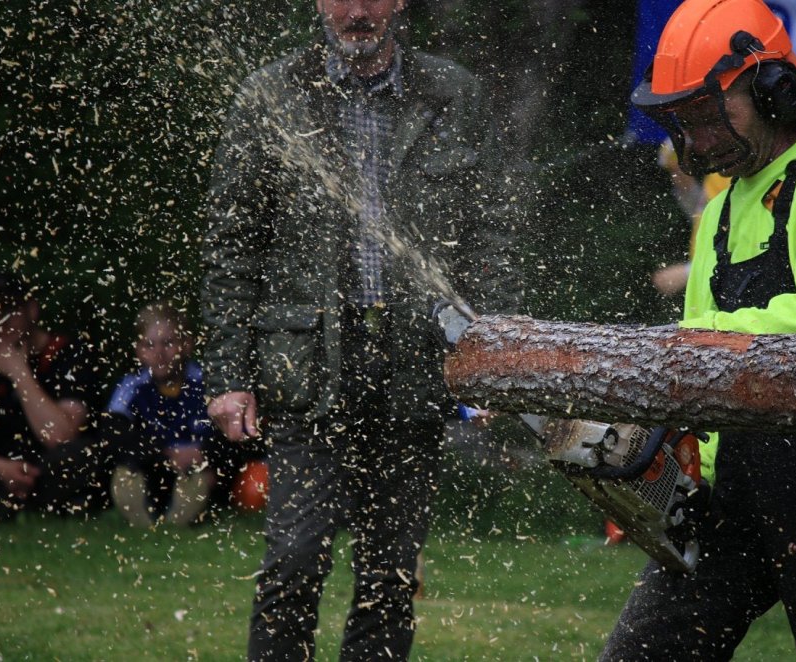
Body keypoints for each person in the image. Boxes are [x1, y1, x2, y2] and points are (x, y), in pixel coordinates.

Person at [199, 0, 521, 659]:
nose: (357, 10)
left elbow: (492, 238)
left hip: (413, 368)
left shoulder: (454, 94)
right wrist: (230, 376)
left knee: (391, 578)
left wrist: (490, 359)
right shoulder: (271, 95)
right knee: (292, 565)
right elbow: (233, 247)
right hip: (307, 370)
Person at [602, 0, 796, 659]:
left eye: (711, 112)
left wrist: (698, 345)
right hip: (740, 478)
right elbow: (696, 372)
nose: (700, 135)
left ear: (773, 90)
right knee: (646, 649)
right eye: (685, 119)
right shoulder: (720, 211)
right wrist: (674, 481)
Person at [104, 301, 247, 527]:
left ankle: (178, 522)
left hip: (199, 468)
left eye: (168, 343)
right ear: (138, 350)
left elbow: (230, 434)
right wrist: (162, 453)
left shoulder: (207, 384)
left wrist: (202, 453)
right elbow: (114, 433)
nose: (159, 353)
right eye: (149, 345)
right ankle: (142, 523)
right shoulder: (131, 386)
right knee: (125, 475)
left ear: (187, 344)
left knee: (206, 475)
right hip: (153, 466)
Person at [0, 272, 108, 522]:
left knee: (80, 454)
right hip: (1, 470)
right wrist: (1, 468)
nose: (1, 321)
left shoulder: (68, 353)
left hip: (48, 470)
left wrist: (18, 372)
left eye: (9, 310)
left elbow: (60, 436)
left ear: (31, 310)